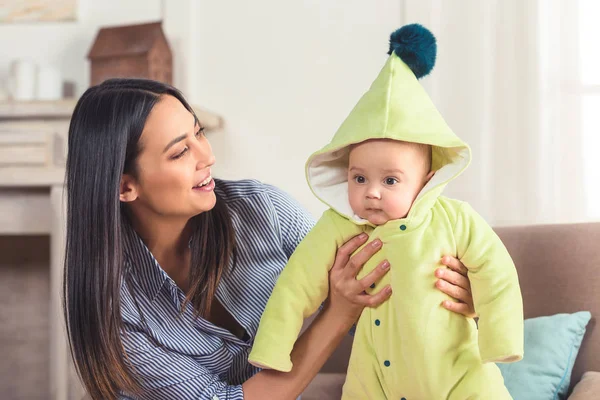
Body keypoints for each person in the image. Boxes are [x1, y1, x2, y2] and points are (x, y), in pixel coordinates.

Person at [63, 77, 477, 400]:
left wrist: (452, 304)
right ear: (125, 187)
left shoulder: (263, 211)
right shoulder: (116, 306)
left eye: (199, 133)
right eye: (179, 152)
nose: (206, 156)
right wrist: (337, 312)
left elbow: (374, 292)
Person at [248, 24, 523, 400]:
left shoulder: (454, 219)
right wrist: (273, 348)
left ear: (424, 181)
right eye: (359, 178)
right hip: (376, 371)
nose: (371, 193)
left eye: (390, 181)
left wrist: (499, 337)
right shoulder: (339, 225)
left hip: (459, 371)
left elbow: (497, 272)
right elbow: (296, 285)